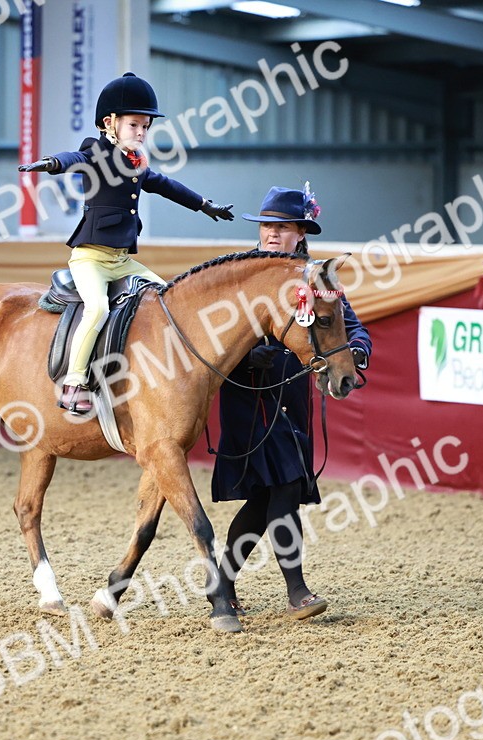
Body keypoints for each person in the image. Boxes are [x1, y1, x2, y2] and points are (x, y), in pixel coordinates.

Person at [18, 72, 235, 414]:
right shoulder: (96, 151)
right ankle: (74, 384)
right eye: (134, 125)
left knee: (168, 300)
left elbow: (165, 185)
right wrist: (53, 163)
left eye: (145, 127)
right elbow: (76, 159)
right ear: (109, 123)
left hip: (122, 261)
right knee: (97, 309)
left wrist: (204, 204)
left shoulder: (135, 162)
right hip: (90, 258)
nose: (141, 133)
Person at [212, 184, 371, 620]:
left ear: (301, 233)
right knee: (282, 486)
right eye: (266, 226)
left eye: (281, 228)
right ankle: (297, 591)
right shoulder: (238, 274)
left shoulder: (318, 278)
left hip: (292, 395)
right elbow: (213, 337)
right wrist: (247, 356)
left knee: (269, 496)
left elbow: (351, 326)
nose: (271, 234)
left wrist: (357, 351)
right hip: (248, 395)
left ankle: (222, 583)